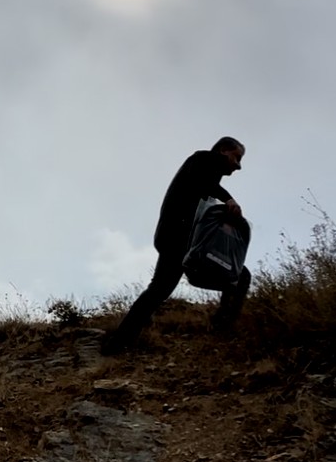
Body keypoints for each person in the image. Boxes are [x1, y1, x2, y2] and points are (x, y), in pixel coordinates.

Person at [102, 137, 251, 354]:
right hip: (178, 238)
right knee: (236, 276)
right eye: (237, 157)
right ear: (222, 151)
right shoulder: (202, 159)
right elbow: (204, 182)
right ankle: (222, 328)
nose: (238, 166)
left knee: (159, 291)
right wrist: (228, 199)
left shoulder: (205, 179)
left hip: (184, 241)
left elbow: (205, 190)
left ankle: (116, 345)